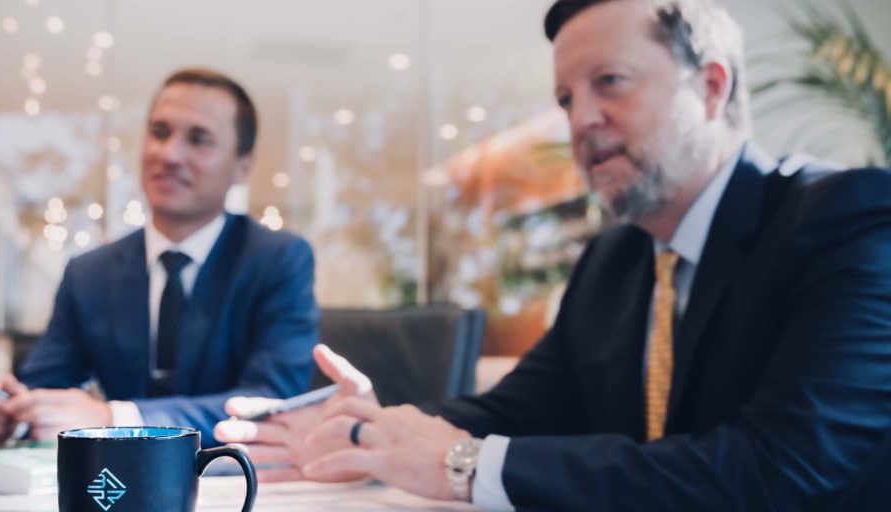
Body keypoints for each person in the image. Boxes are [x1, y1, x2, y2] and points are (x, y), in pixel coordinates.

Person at [214, 0, 891, 509]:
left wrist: (463, 465)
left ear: (711, 87)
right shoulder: (613, 261)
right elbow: (515, 412)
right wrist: (373, 433)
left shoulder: (845, 220)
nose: (579, 120)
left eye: (610, 81)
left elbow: (779, 470)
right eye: (567, 98)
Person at [0, 68, 319, 448]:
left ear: (243, 167)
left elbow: (270, 403)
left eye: (199, 139)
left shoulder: (279, 260)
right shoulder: (89, 274)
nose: (169, 154)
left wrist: (115, 419)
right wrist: (7, 417)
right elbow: (42, 388)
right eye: (159, 132)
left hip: (231, 474)